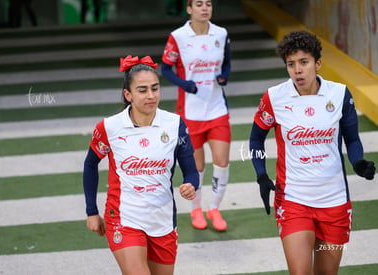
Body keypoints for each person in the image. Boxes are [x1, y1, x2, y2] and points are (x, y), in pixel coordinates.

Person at [249, 30, 376, 274]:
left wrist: (358, 162)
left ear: (317, 63)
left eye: (304, 62)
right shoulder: (274, 98)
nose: (297, 70)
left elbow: (352, 138)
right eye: (291, 64)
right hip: (293, 200)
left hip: (334, 200)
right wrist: (261, 175)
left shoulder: (339, 94)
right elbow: (256, 139)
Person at [83, 55, 199, 275]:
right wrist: (92, 211)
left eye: (155, 88)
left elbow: (191, 171)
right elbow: (90, 164)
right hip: (124, 218)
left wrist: (190, 185)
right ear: (128, 94)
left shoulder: (175, 124)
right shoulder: (110, 127)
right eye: (143, 90)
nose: (151, 96)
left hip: (162, 219)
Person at [161, 0, 231, 231]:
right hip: (190, 113)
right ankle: (196, 210)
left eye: (209, 4)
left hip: (217, 109)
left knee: (222, 161)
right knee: (197, 167)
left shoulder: (221, 33)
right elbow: (165, 68)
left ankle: (214, 208)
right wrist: (184, 84)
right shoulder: (178, 37)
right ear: (189, 9)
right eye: (199, 4)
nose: (205, 8)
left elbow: (227, 64)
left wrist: (224, 77)